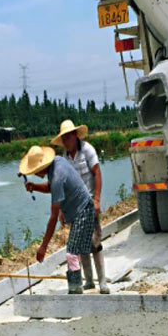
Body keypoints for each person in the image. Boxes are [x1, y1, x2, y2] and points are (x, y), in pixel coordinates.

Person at [20, 146, 94, 294]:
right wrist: (35, 186)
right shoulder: (57, 163)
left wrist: (43, 246)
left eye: (34, 170)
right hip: (81, 208)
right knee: (80, 249)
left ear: (41, 168)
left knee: (72, 253)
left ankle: (75, 290)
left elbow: (53, 217)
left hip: (83, 210)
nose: (34, 173)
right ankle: (88, 283)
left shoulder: (57, 175)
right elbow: (52, 187)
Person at [52, 119, 109, 294]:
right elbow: (62, 186)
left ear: (75, 136)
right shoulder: (63, 159)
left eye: (69, 137)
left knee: (95, 242)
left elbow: (97, 173)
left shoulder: (87, 150)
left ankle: (102, 282)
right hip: (75, 208)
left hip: (90, 203)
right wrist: (62, 210)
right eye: (65, 138)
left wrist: (97, 199)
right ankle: (89, 281)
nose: (67, 141)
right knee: (82, 244)